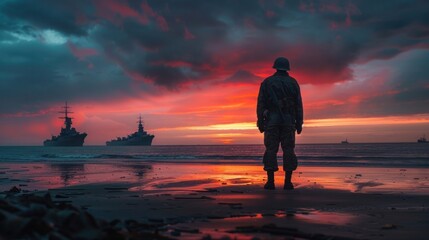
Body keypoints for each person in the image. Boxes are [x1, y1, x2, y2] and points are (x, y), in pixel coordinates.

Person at [256, 57, 303, 190]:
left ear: (275, 67)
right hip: (288, 121)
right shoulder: (293, 83)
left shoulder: (267, 82)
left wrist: (260, 121)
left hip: (272, 121)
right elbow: (299, 105)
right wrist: (299, 122)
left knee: (271, 150)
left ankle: (270, 182)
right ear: (287, 68)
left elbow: (261, 103)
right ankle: (288, 183)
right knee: (289, 150)